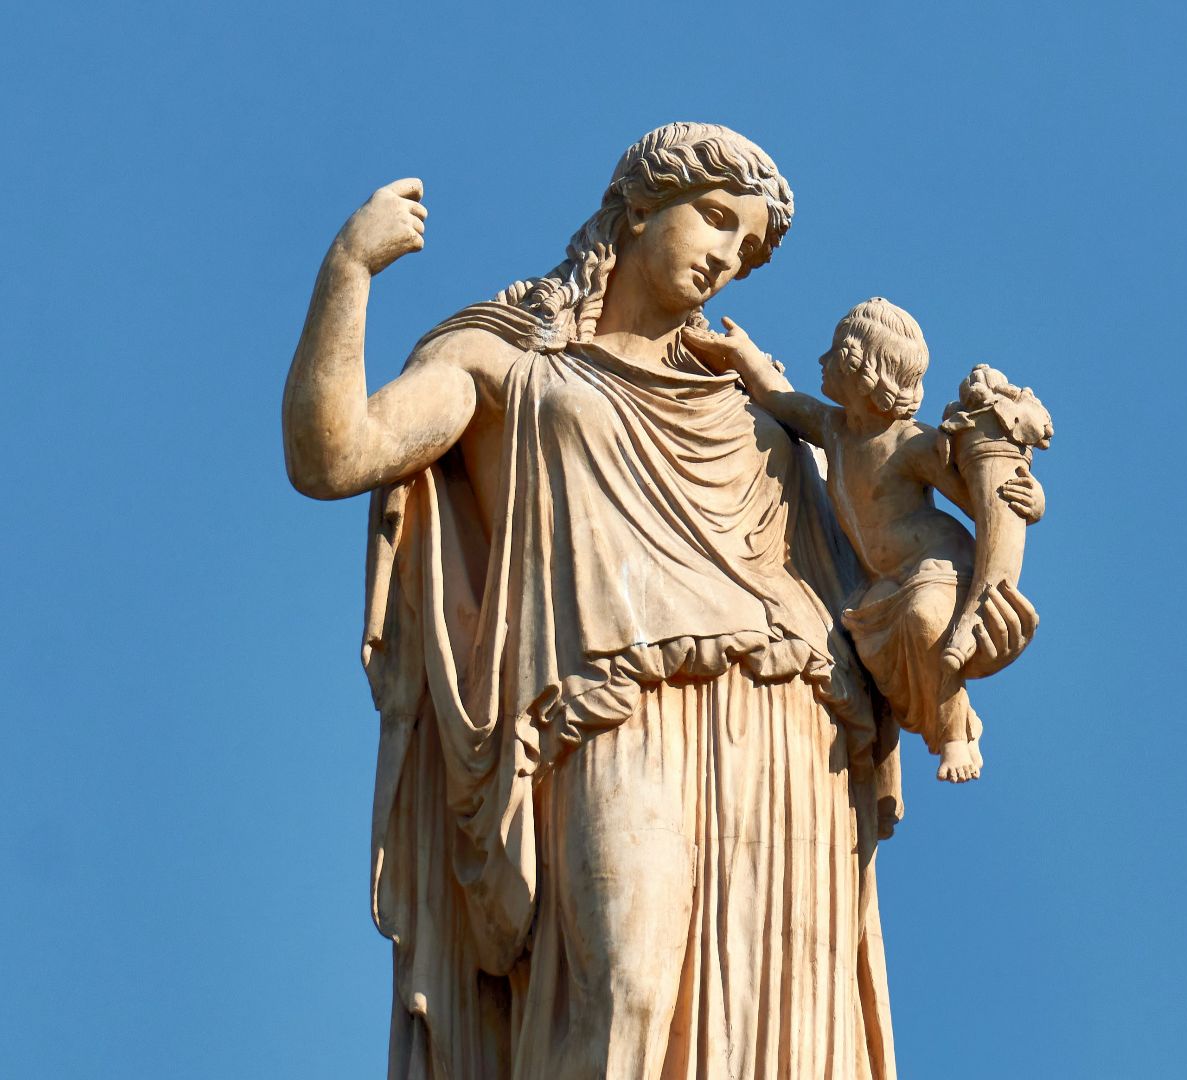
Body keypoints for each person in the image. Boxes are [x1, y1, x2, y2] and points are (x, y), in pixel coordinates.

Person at [282, 123, 1034, 1079]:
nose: (726, 257)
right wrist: (350, 270)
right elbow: (333, 453)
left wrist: (958, 641)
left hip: (792, 727)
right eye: (715, 219)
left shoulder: (763, 417)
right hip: (611, 709)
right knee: (627, 983)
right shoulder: (514, 363)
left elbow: (876, 610)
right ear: (639, 206)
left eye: (747, 248)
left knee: (783, 1033)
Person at [684, 298, 1043, 784]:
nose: (822, 363)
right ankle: (947, 711)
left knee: (924, 623)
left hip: (935, 564)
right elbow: (777, 398)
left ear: (863, 371)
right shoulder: (832, 428)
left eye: (834, 354)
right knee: (869, 649)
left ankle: (955, 733)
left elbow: (980, 502)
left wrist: (1032, 500)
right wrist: (741, 353)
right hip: (885, 578)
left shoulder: (912, 443)